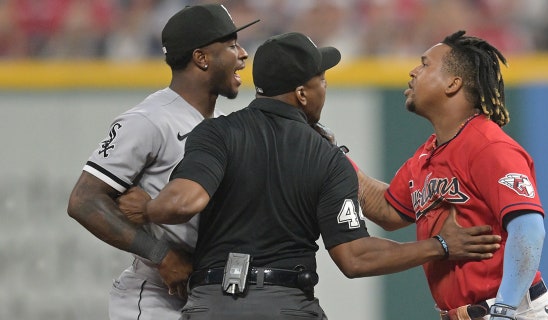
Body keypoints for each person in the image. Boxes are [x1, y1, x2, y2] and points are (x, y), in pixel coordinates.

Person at [116, 32, 502, 320]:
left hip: (212, 303)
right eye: (322, 80)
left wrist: (147, 209)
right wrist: (442, 246)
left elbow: (183, 201)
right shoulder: (326, 157)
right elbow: (356, 258)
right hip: (285, 303)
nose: (324, 89)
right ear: (302, 94)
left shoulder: (215, 133)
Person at [66, 4, 258, 320]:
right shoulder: (150, 119)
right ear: (201, 57)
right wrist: (162, 256)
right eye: (232, 45)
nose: (243, 54)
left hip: (211, 293)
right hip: (158, 298)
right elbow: (84, 200)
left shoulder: (222, 125)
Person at [355, 30, 548, 320]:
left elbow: (529, 229)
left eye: (425, 64)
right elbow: (388, 211)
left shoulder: (488, 145)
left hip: (511, 311)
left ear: (453, 83)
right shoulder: (426, 155)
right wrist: (331, 156)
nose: (414, 71)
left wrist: (504, 309)